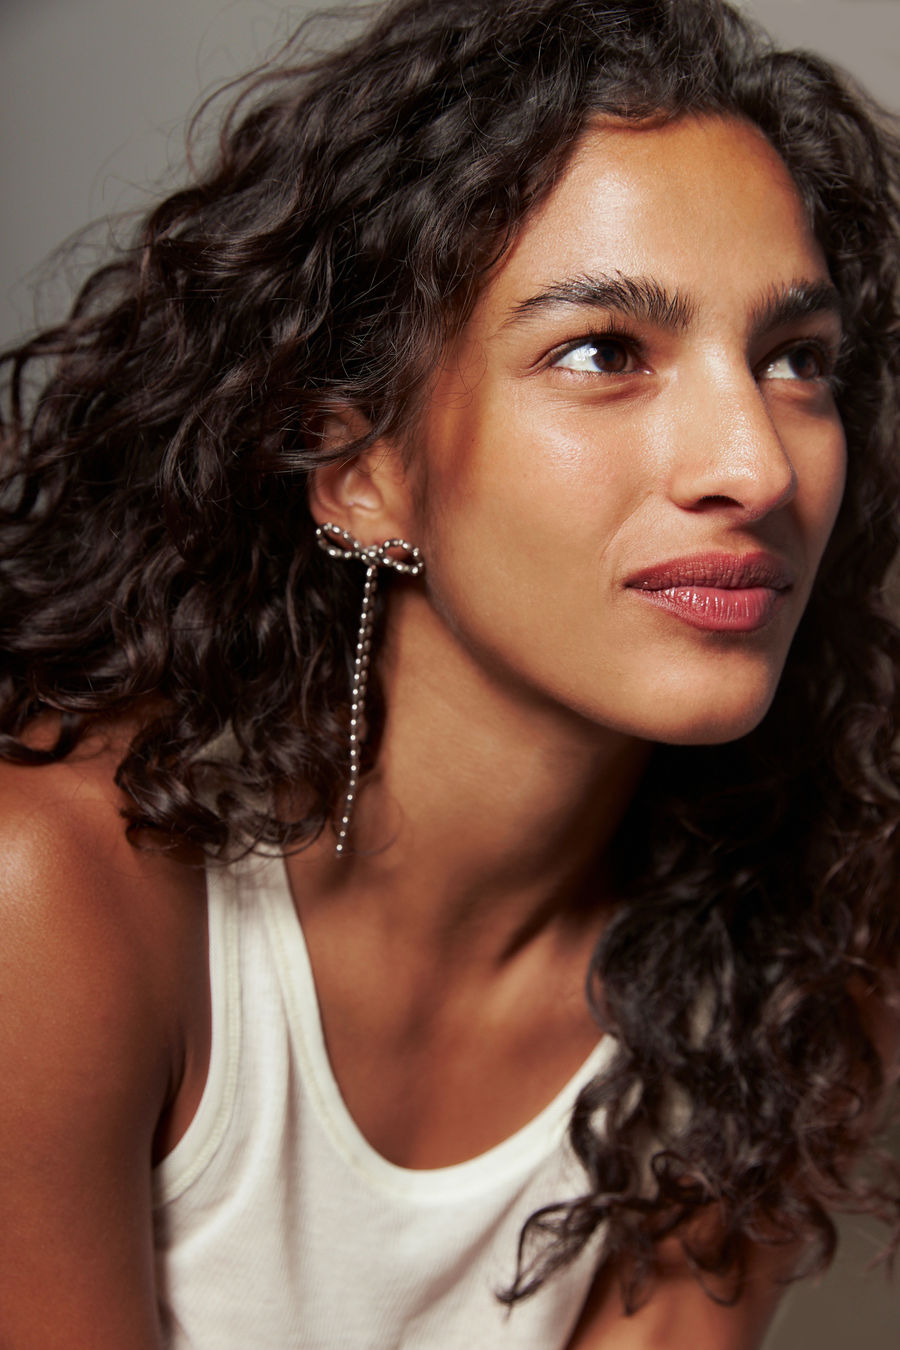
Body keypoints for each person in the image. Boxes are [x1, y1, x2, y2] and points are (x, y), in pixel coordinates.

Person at [1, 0, 899, 1345]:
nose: (757, 466)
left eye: (795, 360)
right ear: (360, 470)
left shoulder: (801, 957)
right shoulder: (56, 896)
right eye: (604, 352)